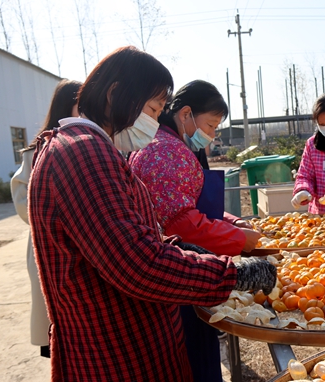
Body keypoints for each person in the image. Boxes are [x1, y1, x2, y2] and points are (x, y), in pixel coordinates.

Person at [28, 46, 276, 381]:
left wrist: (192, 251)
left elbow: (134, 234)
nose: (156, 121)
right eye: (153, 108)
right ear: (116, 94)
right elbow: (136, 263)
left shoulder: (91, 148)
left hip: (133, 344)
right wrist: (233, 275)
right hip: (117, 356)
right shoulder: (83, 153)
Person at [129, 79, 261, 381]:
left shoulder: (168, 145)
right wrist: (239, 239)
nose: (212, 135)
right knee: (194, 357)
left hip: (176, 270)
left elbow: (189, 202)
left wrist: (232, 221)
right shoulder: (166, 151)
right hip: (181, 275)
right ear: (186, 114)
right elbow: (182, 223)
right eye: (211, 125)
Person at [10, 79, 82, 359]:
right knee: (54, 313)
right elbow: (22, 200)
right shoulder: (37, 152)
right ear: (67, 106)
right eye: (81, 106)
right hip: (48, 240)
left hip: (80, 243)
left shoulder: (91, 145)